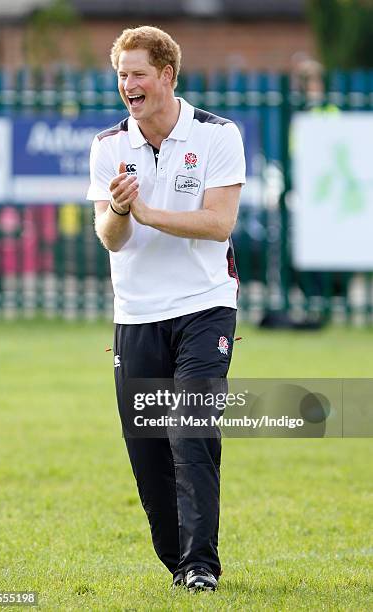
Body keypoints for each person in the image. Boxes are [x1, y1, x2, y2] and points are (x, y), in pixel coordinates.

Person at [87, 25, 245, 591]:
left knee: (190, 427)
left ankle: (201, 563)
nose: (128, 85)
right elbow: (111, 238)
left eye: (138, 73)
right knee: (148, 446)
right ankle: (179, 559)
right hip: (135, 315)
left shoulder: (218, 134)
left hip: (205, 308)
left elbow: (219, 223)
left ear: (167, 75)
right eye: (122, 75)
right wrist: (122, 212)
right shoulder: (109, 146)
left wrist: (149, 212)